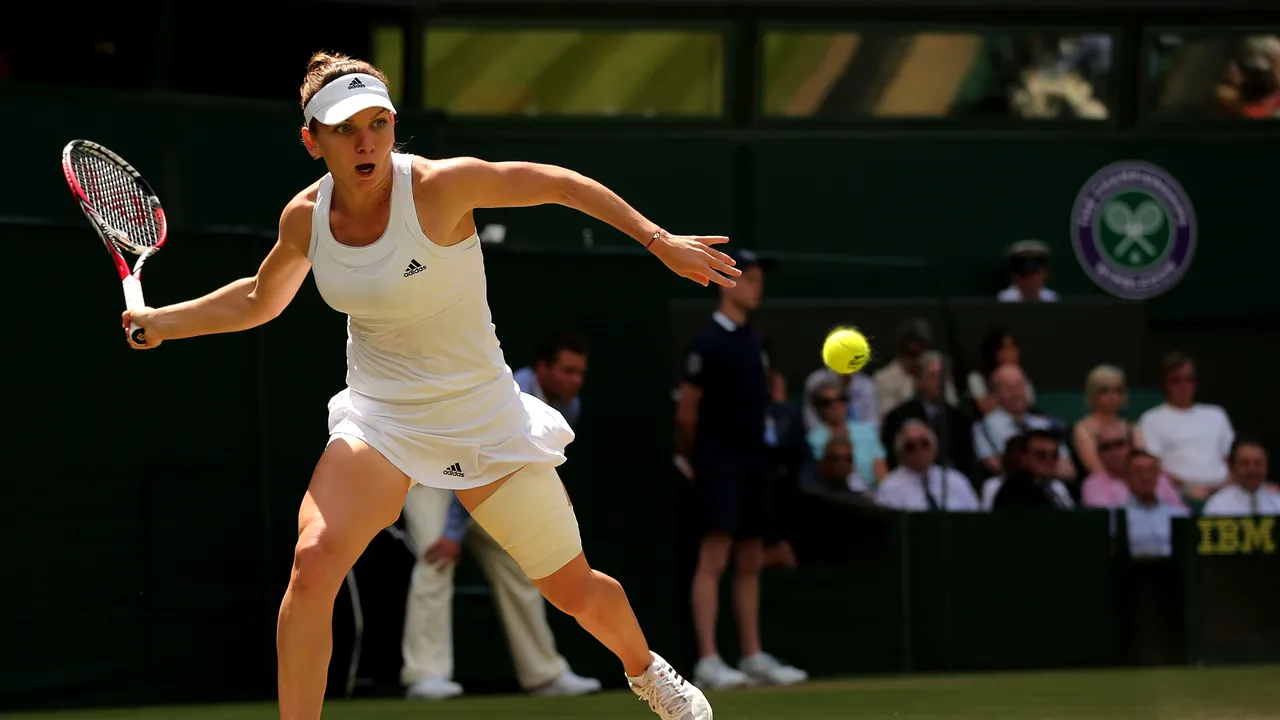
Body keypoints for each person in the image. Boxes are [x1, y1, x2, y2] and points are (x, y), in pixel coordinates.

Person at [121, 52, 733, 720]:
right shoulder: (304, 219)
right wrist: (164, 323)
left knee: (575, 590)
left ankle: (648, 672)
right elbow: (258, 298)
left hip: (483, 419)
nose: (366, 141)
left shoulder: (441, 188)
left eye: (378, 123)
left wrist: (657, 239)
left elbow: (559, 184)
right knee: (314, 560)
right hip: (379, 421)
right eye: (344, 127)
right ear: (312, 140)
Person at [399, 330, 600, 701]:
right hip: (432, 475)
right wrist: (452, 535)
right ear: (543, 369)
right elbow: (473, 461)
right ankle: (425, 674)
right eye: (567, 371)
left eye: (580, 373)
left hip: (482, 474)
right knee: (436, 559)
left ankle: (543, 673)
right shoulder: (515, 398)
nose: (575, 381)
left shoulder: (568, 406)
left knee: (521, 564)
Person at [673, 248, 808, 690]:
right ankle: (708, 660)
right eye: (749, 278)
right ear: (727, 283)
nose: (758, 286)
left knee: (750, 558)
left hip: (754, 462)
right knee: (714, 557)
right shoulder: (708, 342)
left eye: (758, 279)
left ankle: (751, 655)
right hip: (718, 462)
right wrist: (698, 459)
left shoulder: (754, 340)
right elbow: (687, 414)